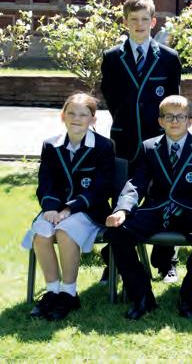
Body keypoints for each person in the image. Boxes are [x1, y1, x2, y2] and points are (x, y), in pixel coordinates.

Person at [105, 95, 192, 320]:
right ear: (160, 121)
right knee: (117, 232)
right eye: (169, 117)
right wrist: (122, 209)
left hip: (188, 210)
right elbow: (136, 183)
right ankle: (142, 296)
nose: (175, 121)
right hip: (156, 209)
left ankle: (188, 298)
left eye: (181, 117)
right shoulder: (149, 146)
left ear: (190, 120)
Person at [101, 0, 182, 283]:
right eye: (133, 19)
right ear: (125, 22)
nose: (139, 24)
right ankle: (116, 259)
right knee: (121, 198)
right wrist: (128, 121)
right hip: (125, 140)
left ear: (153, 22)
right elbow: (112, 98)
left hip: (159, 142)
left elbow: (173, 102)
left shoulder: (168, 58)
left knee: (163, 197)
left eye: (144, 19)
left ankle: (166, 260)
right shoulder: (112, 57)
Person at [23, 93, 115, 321]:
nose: (76, 118)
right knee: (42, 232)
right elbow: (46, 181)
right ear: (63, 116)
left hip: (89, 210)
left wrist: (70, 209)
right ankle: (52, 291)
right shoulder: (51, 145)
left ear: (93, 119)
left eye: (83, 114)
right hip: (56, 210)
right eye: (71, 113)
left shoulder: (104, 146)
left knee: (65, 231)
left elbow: (101, 188)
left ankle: (69, 293)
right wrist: (50, 208)